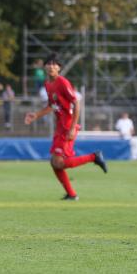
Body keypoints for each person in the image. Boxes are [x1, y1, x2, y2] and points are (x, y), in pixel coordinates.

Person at [24, 54, 107, 200]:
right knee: (54, 163)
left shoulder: (62, 82)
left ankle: (94, 157)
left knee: (59, 162)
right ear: (45, 67)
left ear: (59, 68)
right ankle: (71, 194)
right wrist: (36, 115)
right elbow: (52, 105)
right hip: (60, 127)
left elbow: (76, 103)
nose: (51, 66)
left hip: (68, 126)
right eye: (49, 63)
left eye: (55, 64)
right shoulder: (48, 84)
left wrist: (72, 127)